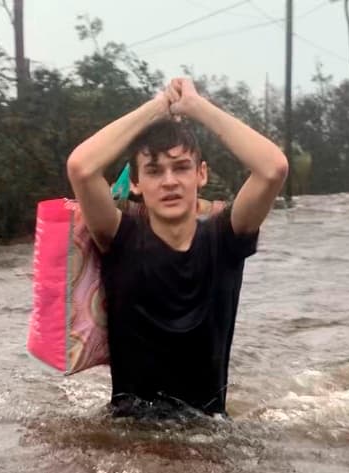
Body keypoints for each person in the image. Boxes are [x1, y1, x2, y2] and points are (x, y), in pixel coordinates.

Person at [66, 77, 288, 418]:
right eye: (154, 171)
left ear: (200, 174)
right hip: (129, 432)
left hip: (210, 431)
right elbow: (81, 168)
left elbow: (273, 169)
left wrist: (197, 108)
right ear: (136, 184)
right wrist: (157, 107)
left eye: (181, 167)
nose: (169, 181)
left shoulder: (225, 238)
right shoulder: (118, 237)